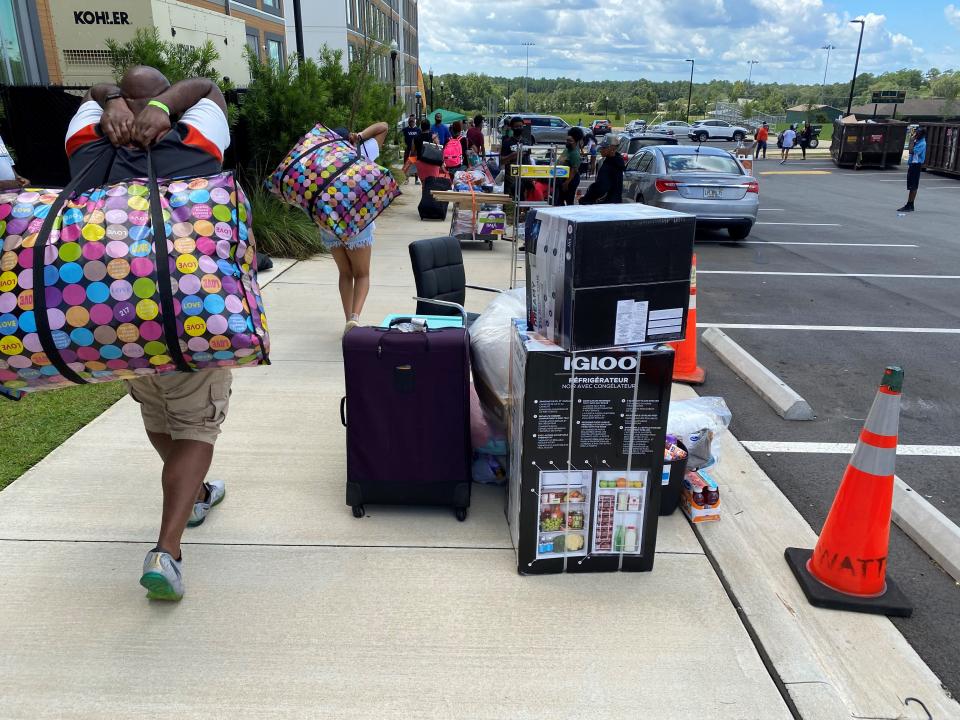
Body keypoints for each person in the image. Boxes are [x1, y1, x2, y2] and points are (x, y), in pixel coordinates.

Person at [64, 66, 233, 602]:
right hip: (188, 316)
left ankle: (198, 491)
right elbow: (209, 89)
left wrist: (111, 97)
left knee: (159, 413)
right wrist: (166, 106)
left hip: (112, 324)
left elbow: (94, 96)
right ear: (163, 102)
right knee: (197, 426)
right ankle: (167, 550)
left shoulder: (84, 143)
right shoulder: (197, 140)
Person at [325, 122, 389, 334]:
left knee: (345, 273)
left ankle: (347, 320)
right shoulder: (362, 153)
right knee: (362, 274)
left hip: (330, 226)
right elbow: (383, 127)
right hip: (357, 223)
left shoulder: (325, 162)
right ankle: (354, 318)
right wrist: (360, 136)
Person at [579, 133, 624, 204]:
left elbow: (601, 187)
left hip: (606, 205)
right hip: (615, 202)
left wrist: (586, 199)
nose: (601, 150)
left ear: (612, 148)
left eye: (604, 147)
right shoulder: (615, 161)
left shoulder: (610, 165)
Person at [500, 116, 530, 199]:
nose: (519, 128)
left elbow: (528, 160)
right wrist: (512, 155)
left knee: (522, 202)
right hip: (510, 179)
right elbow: (502, 161)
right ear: (512, 128)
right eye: (516, 126)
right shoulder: (507, 142)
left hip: (523, 178)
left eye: (520, 126)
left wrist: (530, 178)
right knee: (510, 204)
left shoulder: (526, 142)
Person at [899, 126, 927, 212]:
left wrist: (911, 141)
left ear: (921, 135)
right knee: (911, 186)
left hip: (916, 166)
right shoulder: (917, 141)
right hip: (912, 165)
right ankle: (909, 204)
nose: (915, 135)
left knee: (913, 186)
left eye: (917, 133)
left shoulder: (922, 143)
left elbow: (911, 151)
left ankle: (910, 205)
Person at [553, 127, 583, 206]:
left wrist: (567, 183)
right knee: (559, 200)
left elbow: (574, 170)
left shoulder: (575, 153)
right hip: (562, 179)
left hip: (570, 180)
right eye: (567, 140)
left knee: (568, 200)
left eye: (570, 141)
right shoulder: (567, 149)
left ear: (575, 142)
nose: (567, 142)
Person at [414, 117, 443, 183]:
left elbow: (413, 151)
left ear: (421, 127)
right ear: (429, 127)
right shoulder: (434, 137)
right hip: (432, 163)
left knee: (424, 185)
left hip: (420, 163)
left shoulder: (416, 138)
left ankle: (424, 193)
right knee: (432, 185)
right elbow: (439, 150)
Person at [401, 114, 420, 184]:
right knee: (406, 164)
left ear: (415, 121)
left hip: (415, 151)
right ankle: (406, 179)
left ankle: (416, 180)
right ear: (408, 121)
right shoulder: (405, 130)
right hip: (407, 150)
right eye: (410, 120)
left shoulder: (418, 130)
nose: (411, 121)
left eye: (412, 120)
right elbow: (400, 138)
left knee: (416, 165)